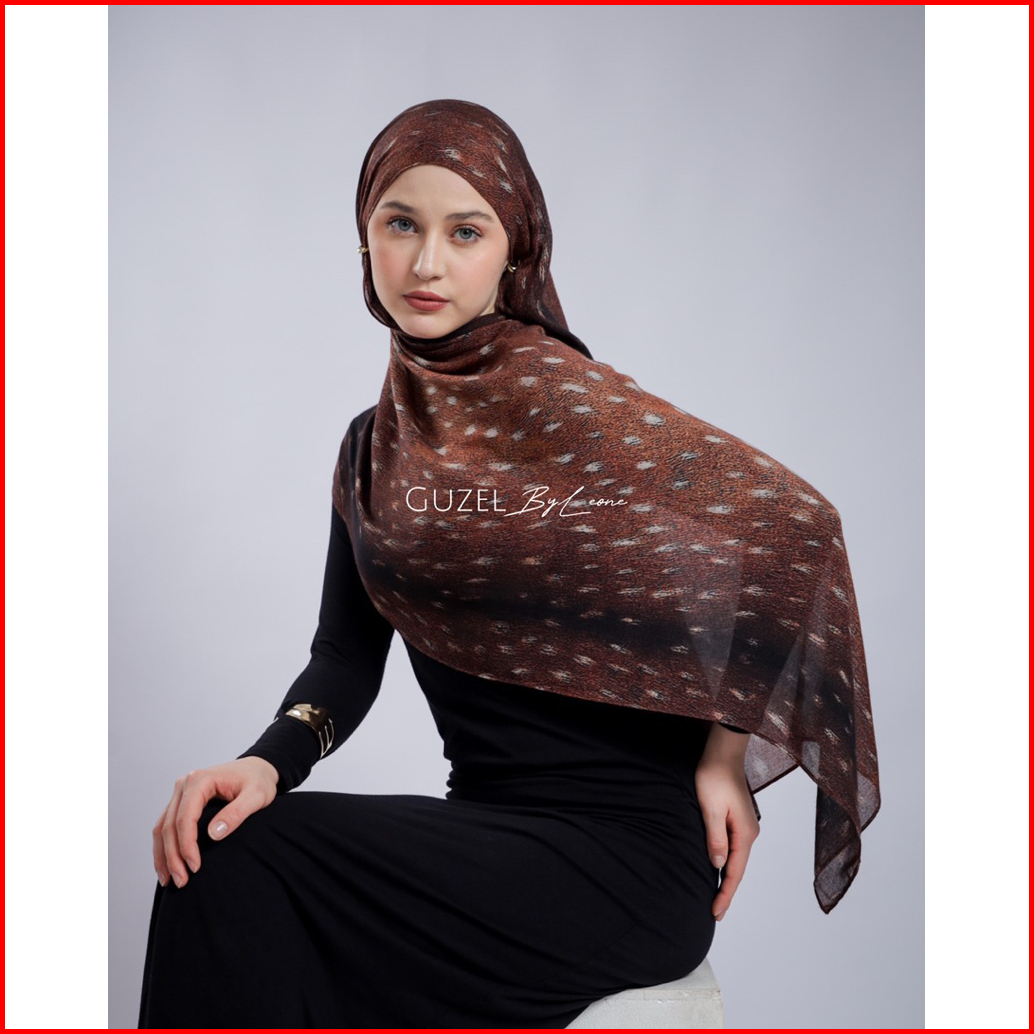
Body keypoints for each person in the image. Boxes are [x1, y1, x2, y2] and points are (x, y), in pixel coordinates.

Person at [138, 99, 879, 1029]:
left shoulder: (583, 420)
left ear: (514, 252)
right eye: (400, 224)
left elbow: (794, 529)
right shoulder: (372, 450)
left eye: (465, 231)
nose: (427, 262)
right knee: (222, 845)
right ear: (365, 239)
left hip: (628, 857)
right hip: (486, 830)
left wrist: (726, 751)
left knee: (243, 867)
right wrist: (266, 763)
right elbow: (344, 661)